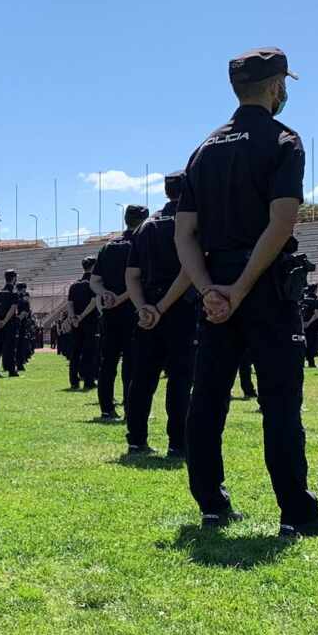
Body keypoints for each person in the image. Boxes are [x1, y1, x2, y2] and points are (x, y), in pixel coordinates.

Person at [175, 46, 318, 538]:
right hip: (264, 286)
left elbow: (184, 234)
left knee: (207, 399)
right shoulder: (283, 141)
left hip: (214, 291)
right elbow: (280, 223)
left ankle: (211, 503)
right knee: (279, 402)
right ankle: (297, 513)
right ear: (275, 87)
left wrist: (211, 290)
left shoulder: (203, 148)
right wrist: (241, 287)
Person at [123, 171, 194, 457]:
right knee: (179, 379)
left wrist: (143, 308)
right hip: (180, 308)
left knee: (142, 379)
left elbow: (131, 275)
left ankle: (136, 439)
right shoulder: (189, 221)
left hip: (148, 311)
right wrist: (163, 307)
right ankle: (178, 443)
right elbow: (189, 270)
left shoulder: (145, 226)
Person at [92, 205, 147, 419]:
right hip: (133, 312)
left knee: (108, 363)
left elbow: (95, 281)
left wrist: (107, 294)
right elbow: (139, 280)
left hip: (109, 314)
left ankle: (106, 408)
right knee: (131, 363)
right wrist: (122, 298)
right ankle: (130, 408)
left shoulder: (109, 246)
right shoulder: (141, 243)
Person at [66, 257, 100, 391]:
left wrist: (73, 317)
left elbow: (69, 304)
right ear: (93, 266)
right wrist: (81, 317)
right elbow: (93, 302)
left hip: (76, 323)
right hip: (89, 321)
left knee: (75, 351)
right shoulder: (93, 283)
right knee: (89, 352)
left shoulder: (74, 285)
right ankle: (88, 380)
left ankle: (74, 380)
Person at [0, 269, 19, 377]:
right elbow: (13, 309)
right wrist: (4, 321)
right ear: (13, 278)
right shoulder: (13, 293)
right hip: (10, 323)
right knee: (10, 347)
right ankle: (11, 369)